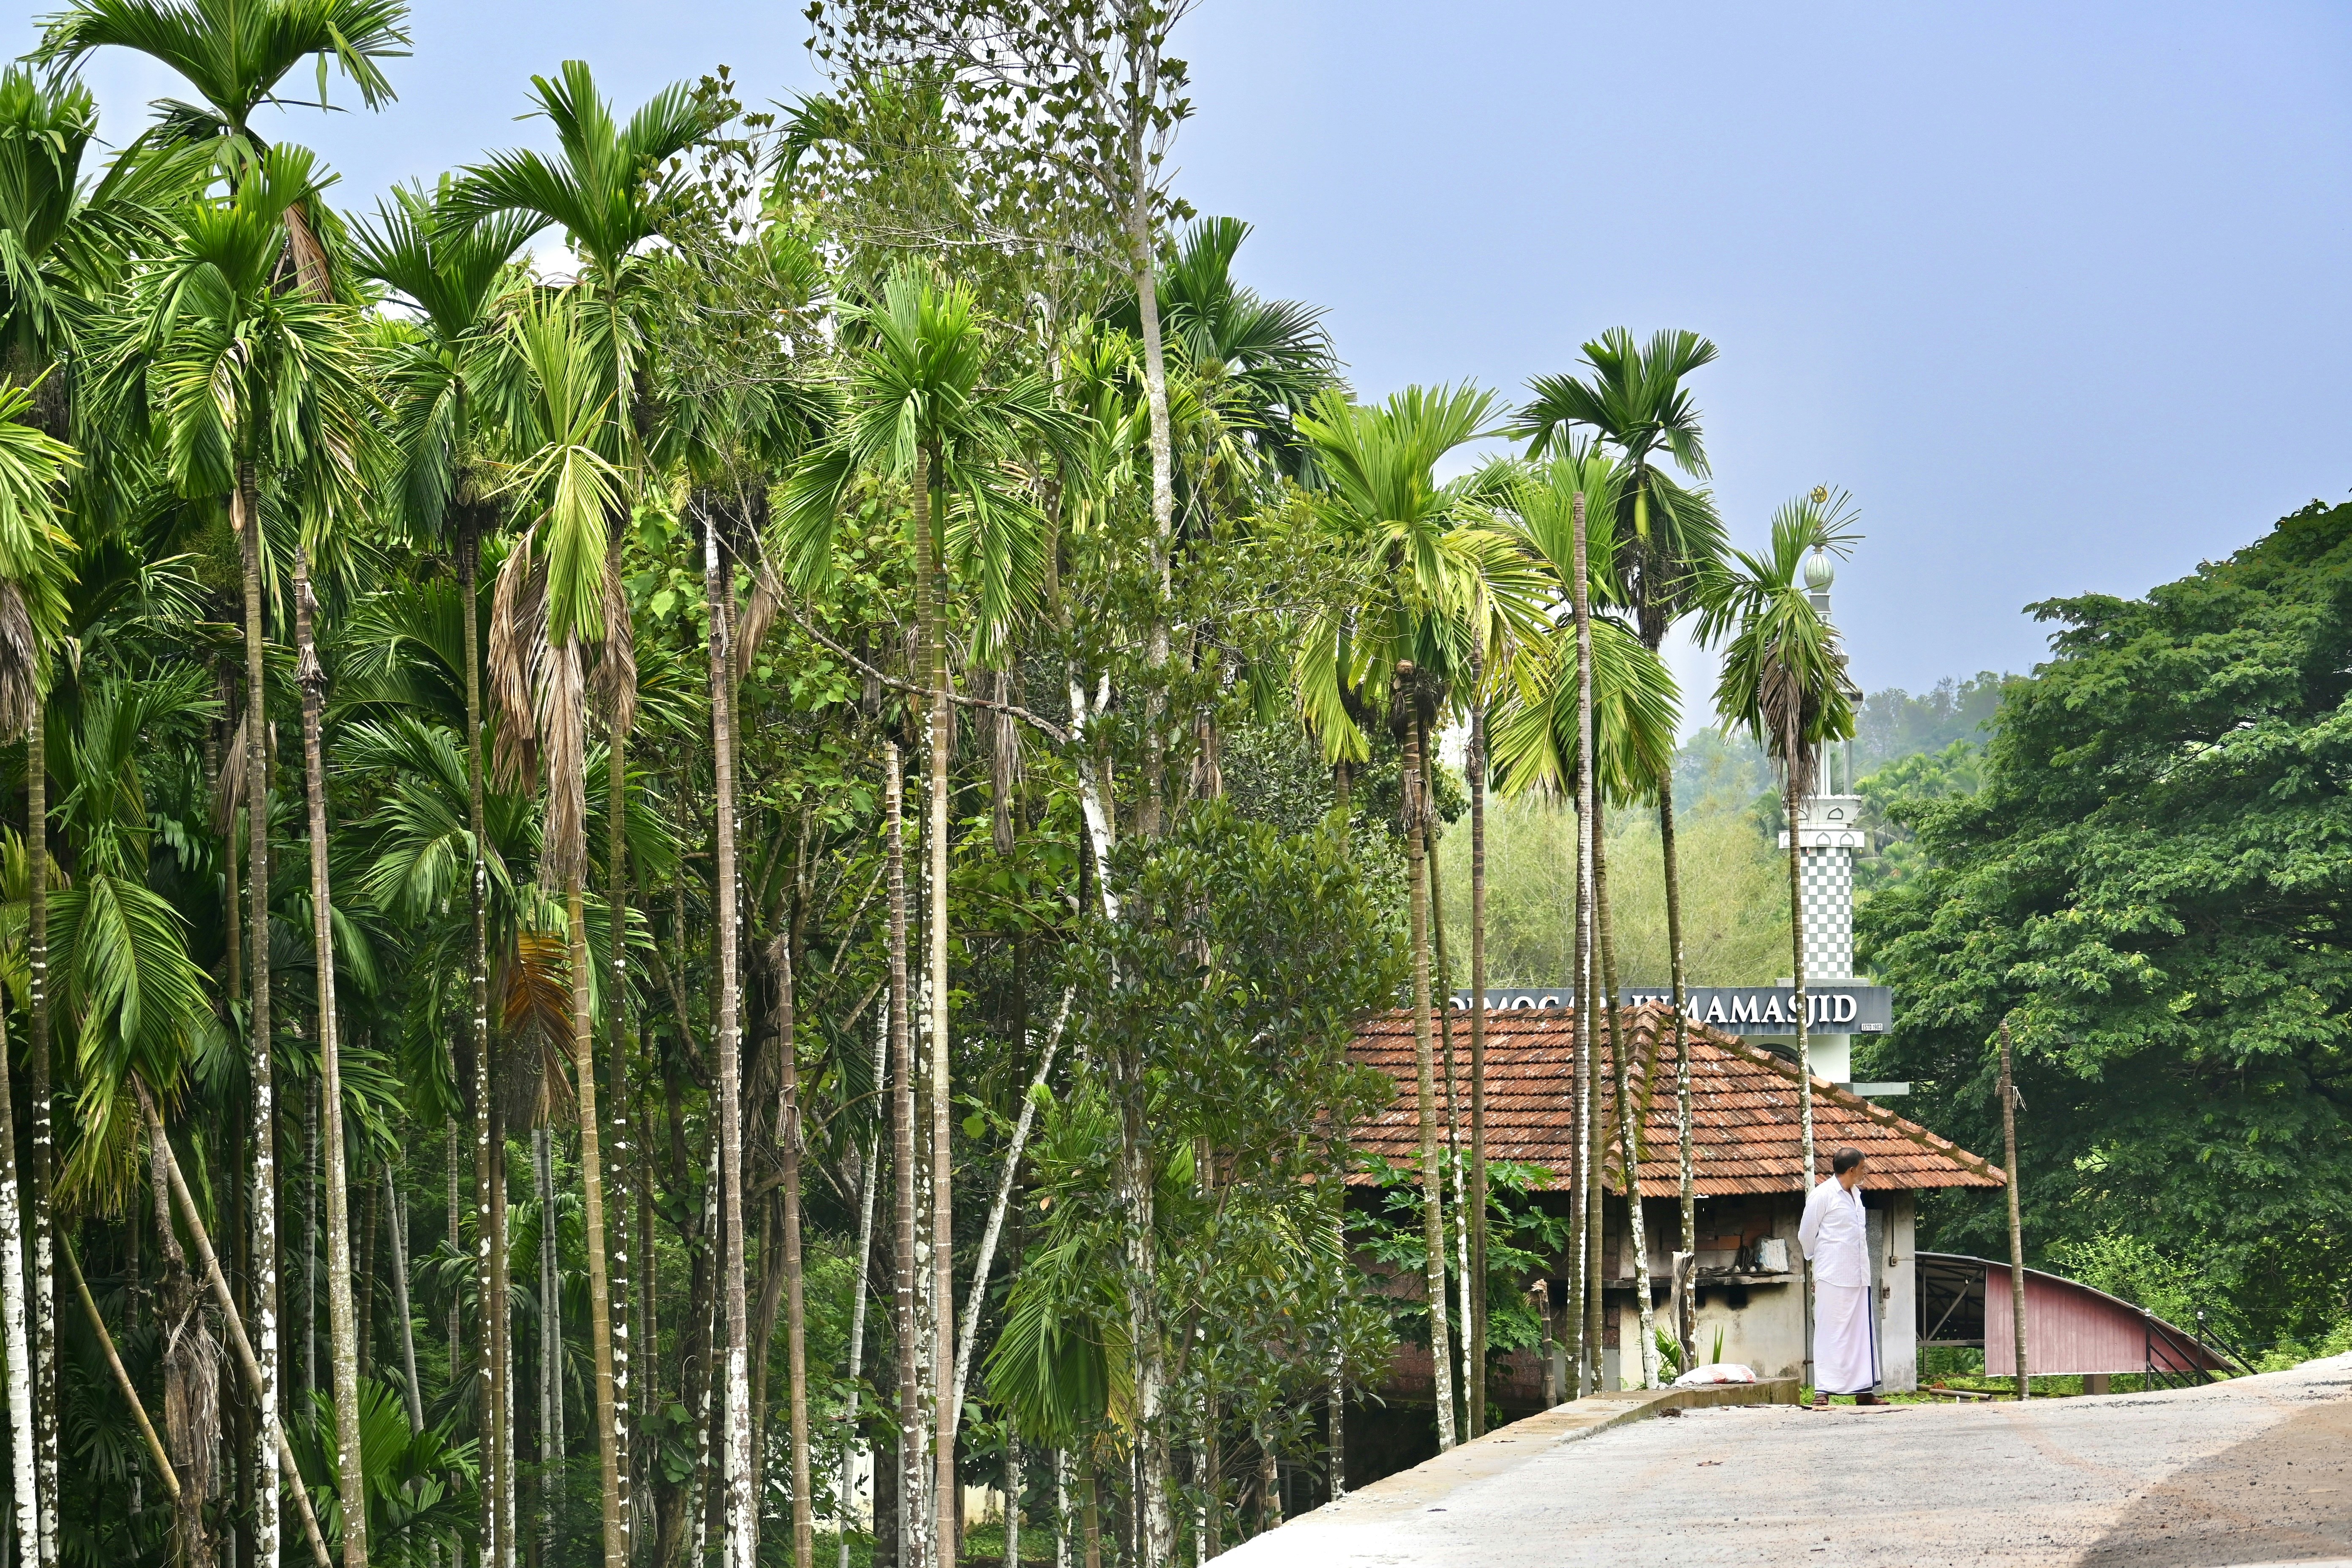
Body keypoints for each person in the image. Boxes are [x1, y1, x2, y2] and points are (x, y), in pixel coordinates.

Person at [1798, 1146, 1881, 1407]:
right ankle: (1823, 1391)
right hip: (1832, 1275)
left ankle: (1864, 1392)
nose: (1866, 1172)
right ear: (1851, 1170)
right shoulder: (1822, 1195)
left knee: (1861, 1335)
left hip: (1859, 1276)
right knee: (1829, 1333)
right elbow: (1805, 1235)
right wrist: (1818, 1262)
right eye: (1863, 1168)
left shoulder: (1856, 1195)